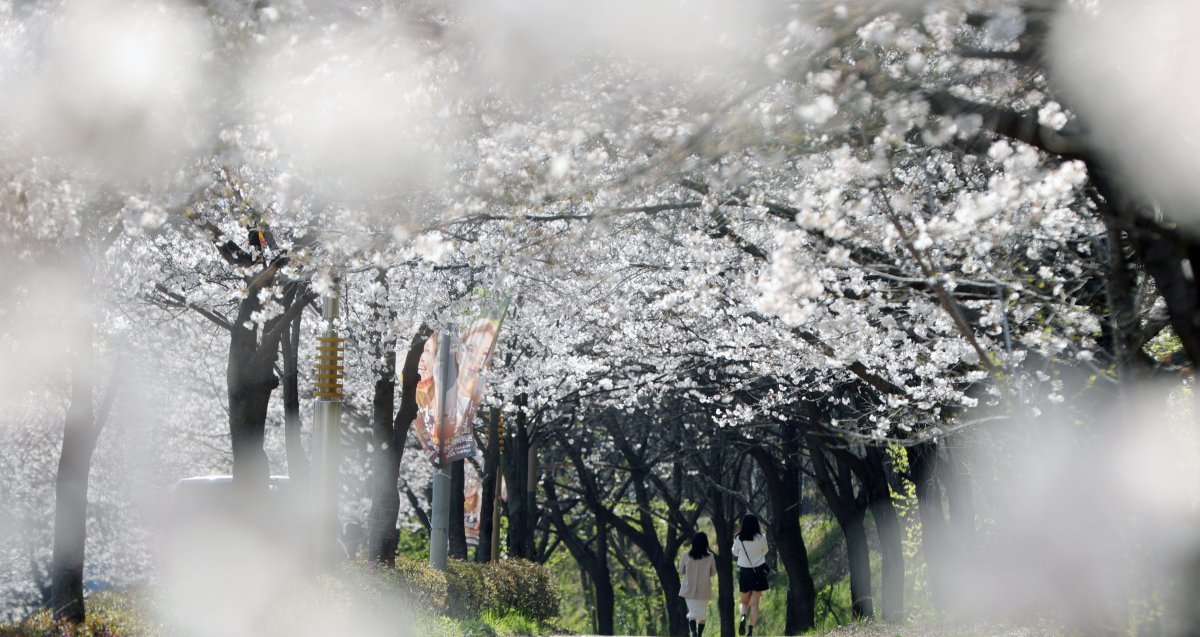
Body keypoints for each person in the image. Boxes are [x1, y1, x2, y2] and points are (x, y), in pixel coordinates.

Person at [731, 514, 769, 636]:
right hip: (759, 572)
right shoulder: (761, 537)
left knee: (744, 602)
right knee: (754, 604)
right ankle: (750, 630)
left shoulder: (739, 539)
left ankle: (743, 617)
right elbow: (766, 550)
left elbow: (735, 553)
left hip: (745, 573)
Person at [678, 531, 717, 637]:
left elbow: (681, 571)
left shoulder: (686, 556)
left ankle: (694, 632)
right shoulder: (710, 557)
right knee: (702, 614)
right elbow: (713, 573)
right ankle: (699, 634)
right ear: (706, 543)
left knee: (692, 612)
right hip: (703, 589)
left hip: (688, 588)